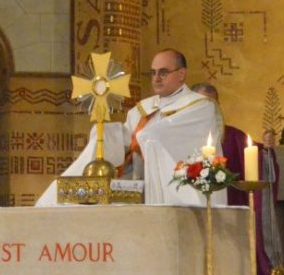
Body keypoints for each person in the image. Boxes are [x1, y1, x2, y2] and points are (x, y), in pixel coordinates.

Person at [38, 48, 223, 206]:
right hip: (139, 185)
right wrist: (105, 134)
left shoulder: (200, 106)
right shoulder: (143, 108)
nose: (156, 78)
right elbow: (129, 137)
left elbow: (165, 135)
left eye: (163, 72)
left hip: (178, 194)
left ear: (181, 74)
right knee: (103, 133)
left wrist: (145, 137)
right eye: (153, 73)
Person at [192, 83, 283, 275]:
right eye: (203, 105)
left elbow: (255, 162)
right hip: (191, 223)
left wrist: (266, 153)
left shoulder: (233, 137)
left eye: (214, 105)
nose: (210, 111)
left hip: (227, 227)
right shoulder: (178, 137)